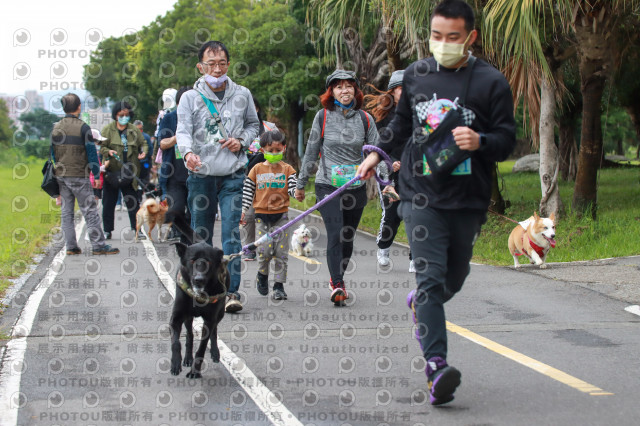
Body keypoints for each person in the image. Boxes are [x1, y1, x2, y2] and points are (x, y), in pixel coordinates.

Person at [358, 0, 516, 405]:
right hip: (420, 193)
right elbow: (402, 125)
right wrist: (376, 153)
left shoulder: (491, 82)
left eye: (453, 37)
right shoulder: (417, 74)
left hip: (468, 199)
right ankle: (436, 367)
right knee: (429, 279)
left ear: (471, 38)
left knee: (454, 277)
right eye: (437, 36)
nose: (443, 44)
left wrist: (480, 141)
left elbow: (507, 141)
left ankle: (422, 304)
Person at [176, 40, 260, 313]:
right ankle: (200, 288)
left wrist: (241, 141)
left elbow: (253, 125)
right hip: (201, 175)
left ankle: (231, 291)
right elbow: (183, 130)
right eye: (210, 64)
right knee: (201, 237)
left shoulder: (242, 94)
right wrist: (188, 153)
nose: (216, 69)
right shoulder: (189, 98)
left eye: (222, 63)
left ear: (228, 64)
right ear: (200, 66)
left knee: (231, 235)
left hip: (233, 175)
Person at [295, 70, 379, 305]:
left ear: (355, 90)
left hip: (355, 186)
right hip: (327, 184)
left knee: (348, 236)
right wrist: (301, 184)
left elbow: (377, 152)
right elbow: (311, 151)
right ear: (331, 92)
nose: (345, 90)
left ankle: (337, 278)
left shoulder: (365, 119)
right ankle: (338, 283)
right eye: (339, 87)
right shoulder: (322, 116)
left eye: (349, 86)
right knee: (335, 231)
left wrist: (388, 184)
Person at [51, 93, 119, 255]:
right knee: (90, 210)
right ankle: (98, 245)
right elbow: (91, 154)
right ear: (79, 107)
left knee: (67, 212)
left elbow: (52, 153)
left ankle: (71, 247)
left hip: (61, 175)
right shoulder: (84, 127)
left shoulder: (56, 127)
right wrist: (96, 175)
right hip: (79, 175)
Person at [363, 70, 414, 271]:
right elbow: (379, 146)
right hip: (389, 174)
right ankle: (383, 246)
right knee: (392, 216)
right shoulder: (383, 117)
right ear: (393, 91)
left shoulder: (420, 113)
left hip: (415, 172)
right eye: (402, 88)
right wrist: (389, 162)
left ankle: (414, 258)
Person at [241, 130, 297, 300]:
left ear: (284, 148)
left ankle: (279, 286)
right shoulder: (256, 170)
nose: (274, 153)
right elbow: (248, 191)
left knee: (281, 254)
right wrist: (243, 211)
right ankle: (262, 275)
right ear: (263, 150)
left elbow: (293, 189)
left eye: (277, 150)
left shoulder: (288, 169)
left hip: (282, 218)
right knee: (264, 252)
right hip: (261, 217)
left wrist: (298, 193)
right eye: (270, 150)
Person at [100, 101, 148, 240]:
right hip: (112, 173)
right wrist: (108, 151)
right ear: (115, 115)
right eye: (121, 115)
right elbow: (101, 146)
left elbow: (143, 143)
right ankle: (107, 230)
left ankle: (136, 229)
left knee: (133, 203)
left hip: (129, 173)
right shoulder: (108, 130)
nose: (124, 117)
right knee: (108, 203)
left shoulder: (133, 129)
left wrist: (143, 152)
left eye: (127, 115)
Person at [240, 95, 278, 261]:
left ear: (257, 109)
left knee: (268, 213)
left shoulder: (269, 128)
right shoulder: (237, 129)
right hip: (245, 176)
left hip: (267, 176)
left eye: (252, 107)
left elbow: (279, 147)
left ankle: (268, 247)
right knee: (248, 215)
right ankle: (249, 247)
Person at [158, 86, 191, 243]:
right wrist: (177, 137)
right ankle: (177, 229)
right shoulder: (169, 118)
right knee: (176, 209)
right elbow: (162, 144)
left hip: (196, 174)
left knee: (195, 212)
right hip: (173, 175)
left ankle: (187, 241)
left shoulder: (200, 118)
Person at [134, 120, 154, 194]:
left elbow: (150, 149)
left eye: (140, 129)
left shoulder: (146, 137)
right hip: (135, 163)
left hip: (145, 163)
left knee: (145, 178)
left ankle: (144, 192)